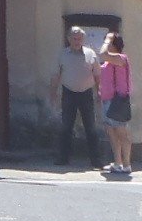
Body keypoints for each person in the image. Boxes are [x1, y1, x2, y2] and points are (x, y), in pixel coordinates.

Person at [55, 25, 101, 168]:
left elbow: (97, 75)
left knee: (91, 128)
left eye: (79, 38)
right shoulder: (63, 54)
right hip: (68, 92)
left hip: (86, 93)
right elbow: (57, 75)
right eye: (74, 38)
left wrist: (99, 92)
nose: (77, 41)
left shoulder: (91, 54)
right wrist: (53, 93)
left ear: (83, 39)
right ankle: (63, 158)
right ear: (69, 39)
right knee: (66, 127)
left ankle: (96, 161)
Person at [97, 32, 134, 178]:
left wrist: (107, 39)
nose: (107, 44)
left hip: (117, 101)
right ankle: (117, 163)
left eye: (110, 43)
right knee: (111, 133)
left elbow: (102, 54)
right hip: (107, 100)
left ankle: (126, 164)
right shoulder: (108, 62)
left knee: (121, 133)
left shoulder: (120, 58)